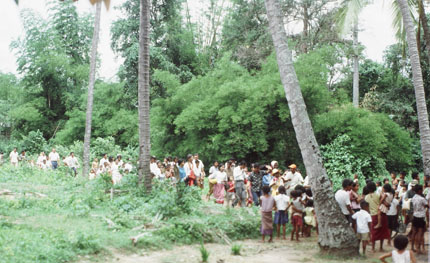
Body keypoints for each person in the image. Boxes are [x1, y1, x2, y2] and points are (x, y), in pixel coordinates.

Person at [365, 181, 389, 252]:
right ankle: (381, 247)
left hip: (372, 215)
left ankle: (373, 248)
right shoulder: (378, 195)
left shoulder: (366, 197)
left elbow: (367, 207)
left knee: (374, 232)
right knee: (382, 231)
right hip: (381, 214)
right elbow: (384, 202)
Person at [410, 184, 428, 254]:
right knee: (420, 233)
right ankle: (418, 248)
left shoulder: (413, 197)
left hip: (415, 216)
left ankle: (412, 247)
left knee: (414, 232)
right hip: (421, 217)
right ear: (420, 191)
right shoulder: (422, 199)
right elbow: (427, 205)